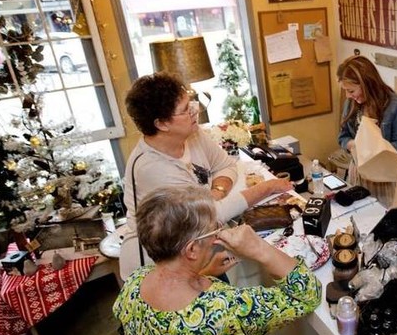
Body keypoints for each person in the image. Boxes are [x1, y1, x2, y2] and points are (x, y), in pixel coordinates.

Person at [113, 185, 321, 335]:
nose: (218, 234)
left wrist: (202, 273)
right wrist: (259, 248)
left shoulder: (134, 283)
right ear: (191, 250)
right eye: (214, 231)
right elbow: (308, 293)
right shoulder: (224, 310)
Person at [121, 72, 291, 276]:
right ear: (162, 124)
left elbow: (226, 165)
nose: (195, 111)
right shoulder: (152, 168)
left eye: (191, 104)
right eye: (185, 110)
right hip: (159, 270)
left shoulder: (191, 133)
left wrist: (217, 192)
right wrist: (267, 187)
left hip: (194, 249)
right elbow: (210, 215)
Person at [337, 55, 397, 157]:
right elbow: (342, 137)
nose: (348, 95)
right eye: (345, 90)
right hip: (358, 166)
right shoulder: (351, 103)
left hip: (386, 168)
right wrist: (353, 145)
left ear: (367, 85)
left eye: (351, 91)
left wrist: (374, 150)